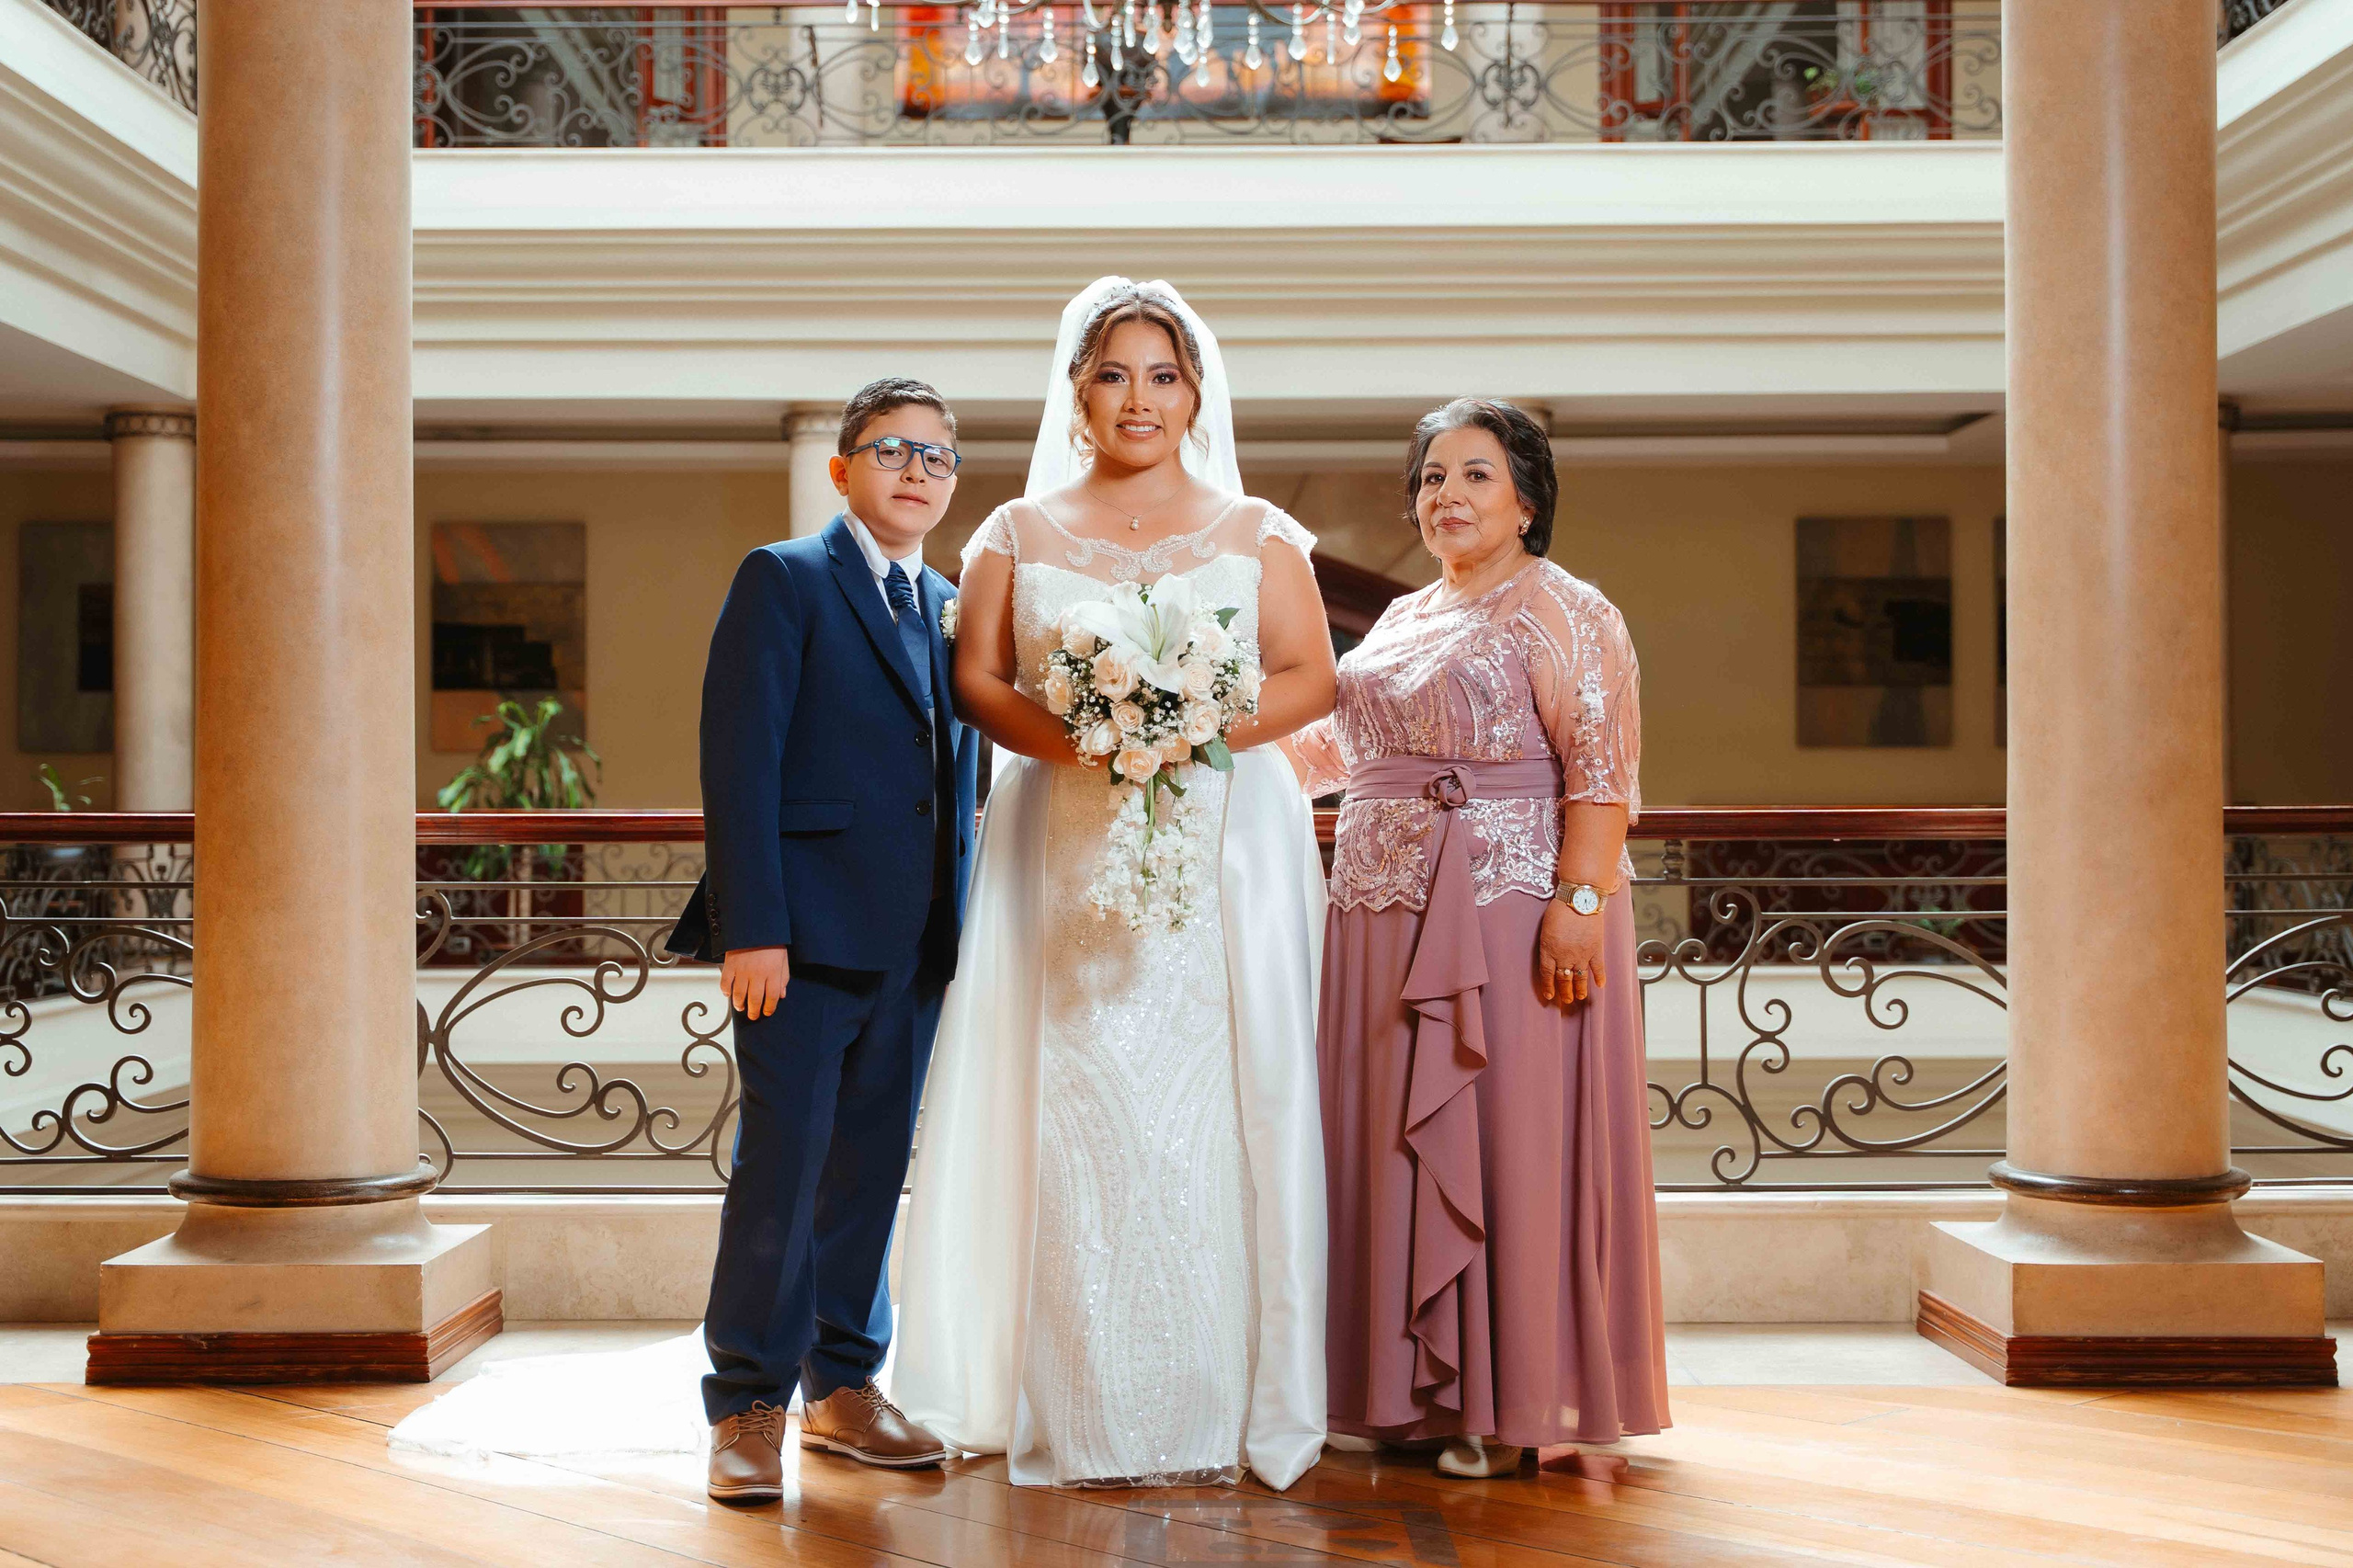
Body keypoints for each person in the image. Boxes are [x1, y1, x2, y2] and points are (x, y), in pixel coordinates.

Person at [890, 278, 1336, 1491]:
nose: (1140, 398)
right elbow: (979, 678)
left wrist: (1191, 728)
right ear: (1076, 393)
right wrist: (1085, 739)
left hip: (1226, 842)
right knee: (1076, 1095)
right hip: (1061, 834)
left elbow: (1310, 675)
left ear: (1195, 393)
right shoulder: (1014, 530)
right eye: (1113, 374)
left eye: (1163, 375)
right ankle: (1077, 1396)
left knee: (1223, 1096)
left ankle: (1222, 1395)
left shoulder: (1258, 530)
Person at [1289, 397, 1668, 1479]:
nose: (1445, 495)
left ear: (1527, 501)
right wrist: (1191, 748)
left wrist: (1579, 905)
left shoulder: (1568, 608)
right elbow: (1329, 752)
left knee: (1502, 1134)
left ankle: (1501, 1404)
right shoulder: (1402, 618)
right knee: (1382, 1142)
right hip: (1377, 912)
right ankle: (1395, 1396)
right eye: (1431, 477)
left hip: (1507, 909)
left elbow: (1602, 770)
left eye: (1474, 475)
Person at [665, 377, 983, 1501]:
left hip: (916, 945)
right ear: (843, 468)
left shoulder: (950, 603)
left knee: (868, 1178)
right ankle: (745, 1401)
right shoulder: (786, 577)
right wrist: (752, 926)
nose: (916, 469)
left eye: (936, 455)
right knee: (782, 1171)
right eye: (891, 449)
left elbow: (960, 777)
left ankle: (843, 1385)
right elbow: (739, 760)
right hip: (797, 943)